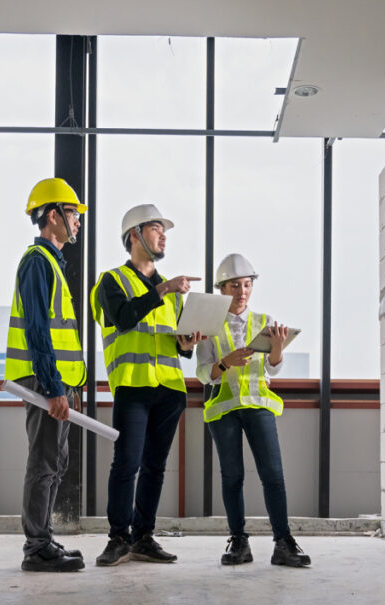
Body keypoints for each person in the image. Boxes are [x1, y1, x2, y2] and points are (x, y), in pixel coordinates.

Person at [90, 204, 205, 567]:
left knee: (155, 467)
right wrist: (164, 288)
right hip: (133, 387)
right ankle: (118, 537)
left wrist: (186, 345)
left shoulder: (171, 292)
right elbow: (124, 319)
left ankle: (143, 536)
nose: (163, 235)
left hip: (169, 389)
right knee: (126, 464)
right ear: (134, 236)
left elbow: (172, 342)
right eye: (156, 228)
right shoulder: (111, 281)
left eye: (164, 230)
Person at [195, 253, 311, 568]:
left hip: (259, 406)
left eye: (247, 284)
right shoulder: (208, 326)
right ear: (222, 288)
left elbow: (273, 371)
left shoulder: (265, 322)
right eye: (235, 285)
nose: (242, 291)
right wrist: (224, 363)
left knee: (273, 475)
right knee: (232, 476)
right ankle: (238, 541)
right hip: (224, 410)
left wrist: (277, 351)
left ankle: (283, 542)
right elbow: (203, 373)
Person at [5, 178, 88, 572]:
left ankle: (45, 539)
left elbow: (58, 337)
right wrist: (54, 388)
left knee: (56, 462)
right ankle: (36, 547)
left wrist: (69, 387)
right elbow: (38, 331)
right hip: (43, 384)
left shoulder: (52, 263)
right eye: (72, 214)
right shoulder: (38, 263)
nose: (77, 221)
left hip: (57, 385)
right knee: (43, 462)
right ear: (52, 215)